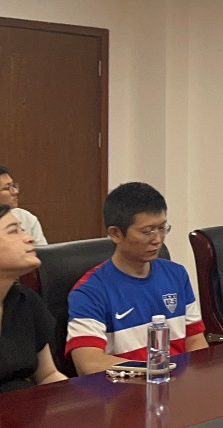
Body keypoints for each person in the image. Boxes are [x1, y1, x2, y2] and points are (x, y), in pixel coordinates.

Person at [65, 182, 207, 375]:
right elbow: (89, 363)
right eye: (147, 232)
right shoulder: (90, 291)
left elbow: (195, 341)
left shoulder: (177, 274)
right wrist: (155, 371)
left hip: (178, 384)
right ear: (115, 234)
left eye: (162, 228)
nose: (157, 239)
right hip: (125, 388)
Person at [0, 205, 67, 391]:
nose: (29, 238)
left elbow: (47, 375)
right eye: (13, 231)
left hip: (25, 406)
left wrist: (77, 399)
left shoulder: (26, 301)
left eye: (22, 229)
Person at [0, 166, 48, 246]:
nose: (15, 191)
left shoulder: (25, 217)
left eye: (13, 186)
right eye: (7, 188)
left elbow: (42, 252)